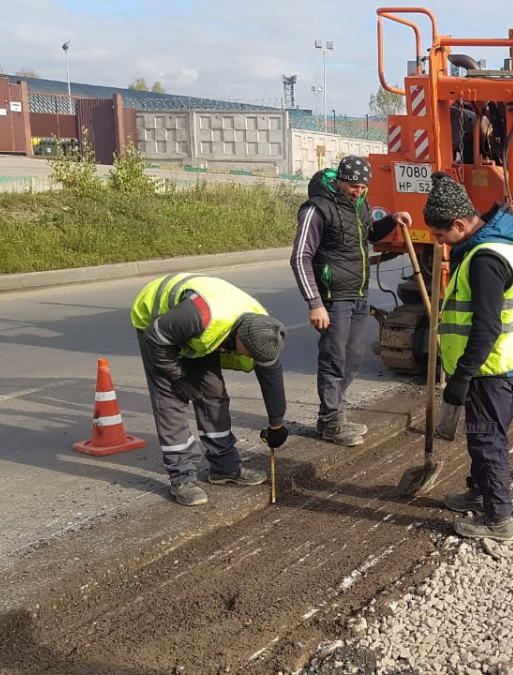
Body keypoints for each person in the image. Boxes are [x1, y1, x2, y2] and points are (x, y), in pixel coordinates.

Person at [423, 172, 513, 542]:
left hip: (491, 369)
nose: (440, 244)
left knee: (487, 440)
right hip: (507, 364)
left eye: (441, 236)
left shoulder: (485, 259)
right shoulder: (498, 240)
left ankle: (499, 519)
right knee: (482, 436)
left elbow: (486, 327)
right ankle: (479, 490)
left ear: (459, 224)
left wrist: (461, 376)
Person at [131, 273, 289, 506]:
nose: (251, 359)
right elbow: (157, 337)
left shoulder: (264, 332)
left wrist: (277, 424)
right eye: (248, 354)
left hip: (198, 333)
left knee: (213, 393)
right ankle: (181, 477)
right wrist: (178, 378)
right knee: (171, 399)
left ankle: (224, 468)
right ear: (239, 340)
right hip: (158, 324)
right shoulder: (202, 317)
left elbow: (271, 378)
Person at [291, 156, 413, 446]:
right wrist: (315, 303)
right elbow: (299, 257)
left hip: (358, 292)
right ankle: (333, 422)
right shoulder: (316, 209)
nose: (358, 191)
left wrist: (392, 220)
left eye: (363, 187)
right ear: (339, 180)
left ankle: (331, 417)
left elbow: (369, 233)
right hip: (333, 297)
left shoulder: (360, 205)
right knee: (334, 359)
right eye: (352, 186)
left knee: (354, 357)